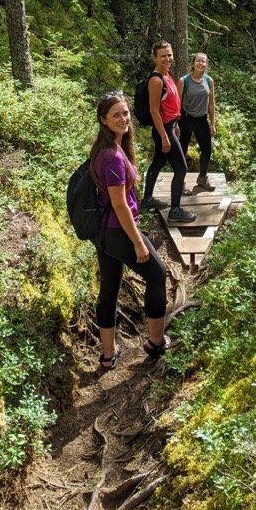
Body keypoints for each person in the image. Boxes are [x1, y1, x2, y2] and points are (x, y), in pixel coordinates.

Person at [90, 92, 171, 369]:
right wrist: (137, 242)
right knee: (157, 275)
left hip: (103, 233)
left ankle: (108, 355)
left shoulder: (108, 147)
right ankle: (156, 342)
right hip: (117, 230)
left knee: (110, 288)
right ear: (103, 120)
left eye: (125, 113)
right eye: (116, 115)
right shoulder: (112, 156)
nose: (124, 118)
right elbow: (120, 205)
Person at [139, 41, 197, 223]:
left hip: (170, 126)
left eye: (169, 54)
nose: (167, 58)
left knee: (158, 161)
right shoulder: (156, 80)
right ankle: (175, 211)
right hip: (163, 130)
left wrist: (177, 124)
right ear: (155, 57)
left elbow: (170, 106)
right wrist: (165, 136)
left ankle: (147, 199)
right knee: (181, 169)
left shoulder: (167, 75)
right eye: (163, 55)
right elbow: (154, 111)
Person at [177, 52, 216, 192]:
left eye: (203, 61)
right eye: (198, 61)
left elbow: (211, 104)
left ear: (206, 65)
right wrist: (176, 123)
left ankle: (202, 177)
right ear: (193, 63)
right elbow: (177, 104)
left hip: (202, 119)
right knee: (182, 150)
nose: (200, 63)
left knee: (207, 150)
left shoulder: (209, 81)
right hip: (185, 119)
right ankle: (180, 182)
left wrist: (212, 123)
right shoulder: (184, 81)